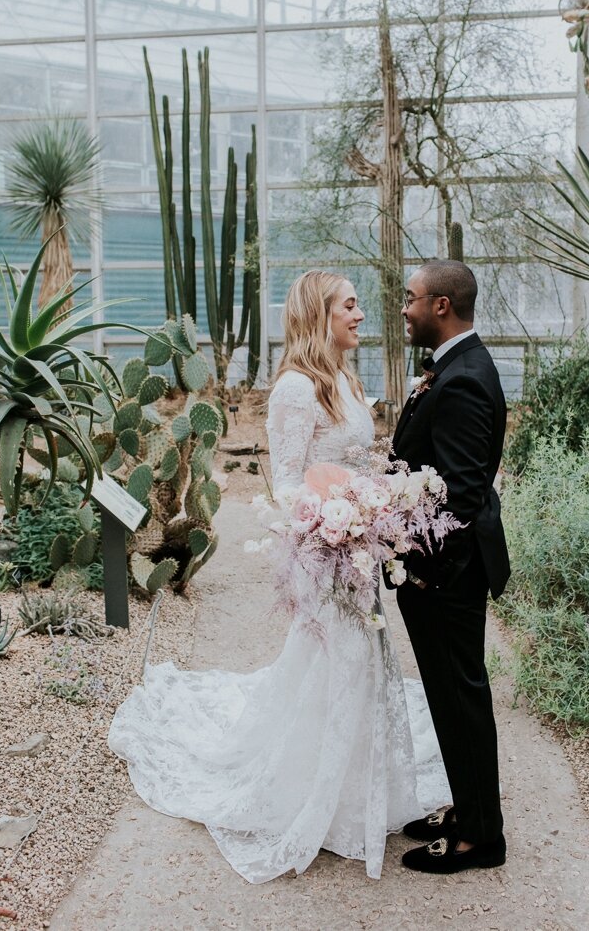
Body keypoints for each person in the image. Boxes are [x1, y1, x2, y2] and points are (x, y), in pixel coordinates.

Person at [108, 270, 449, 884]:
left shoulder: (343, 379)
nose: (360, 315)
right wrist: (334, 521)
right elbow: (290, 481)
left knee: (363, 659)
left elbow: (351, 462)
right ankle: (314, 794)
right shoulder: (295, 388)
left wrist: (372, 507)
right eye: (349, 306)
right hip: (328, 548)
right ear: (319, 314)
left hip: (359, 546)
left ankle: (355, 786)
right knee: (337, 661)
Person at [389, 259, 509, 874]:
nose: (403, 308)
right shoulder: (456, 366)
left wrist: (429, 571)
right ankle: (470, 808)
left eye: (411, 298)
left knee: (460, 697)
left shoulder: (461, 379)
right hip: (445, 572)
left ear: (441, 306)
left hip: (449, 577)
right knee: (451, 695)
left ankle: (480, 840)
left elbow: (461, 495)